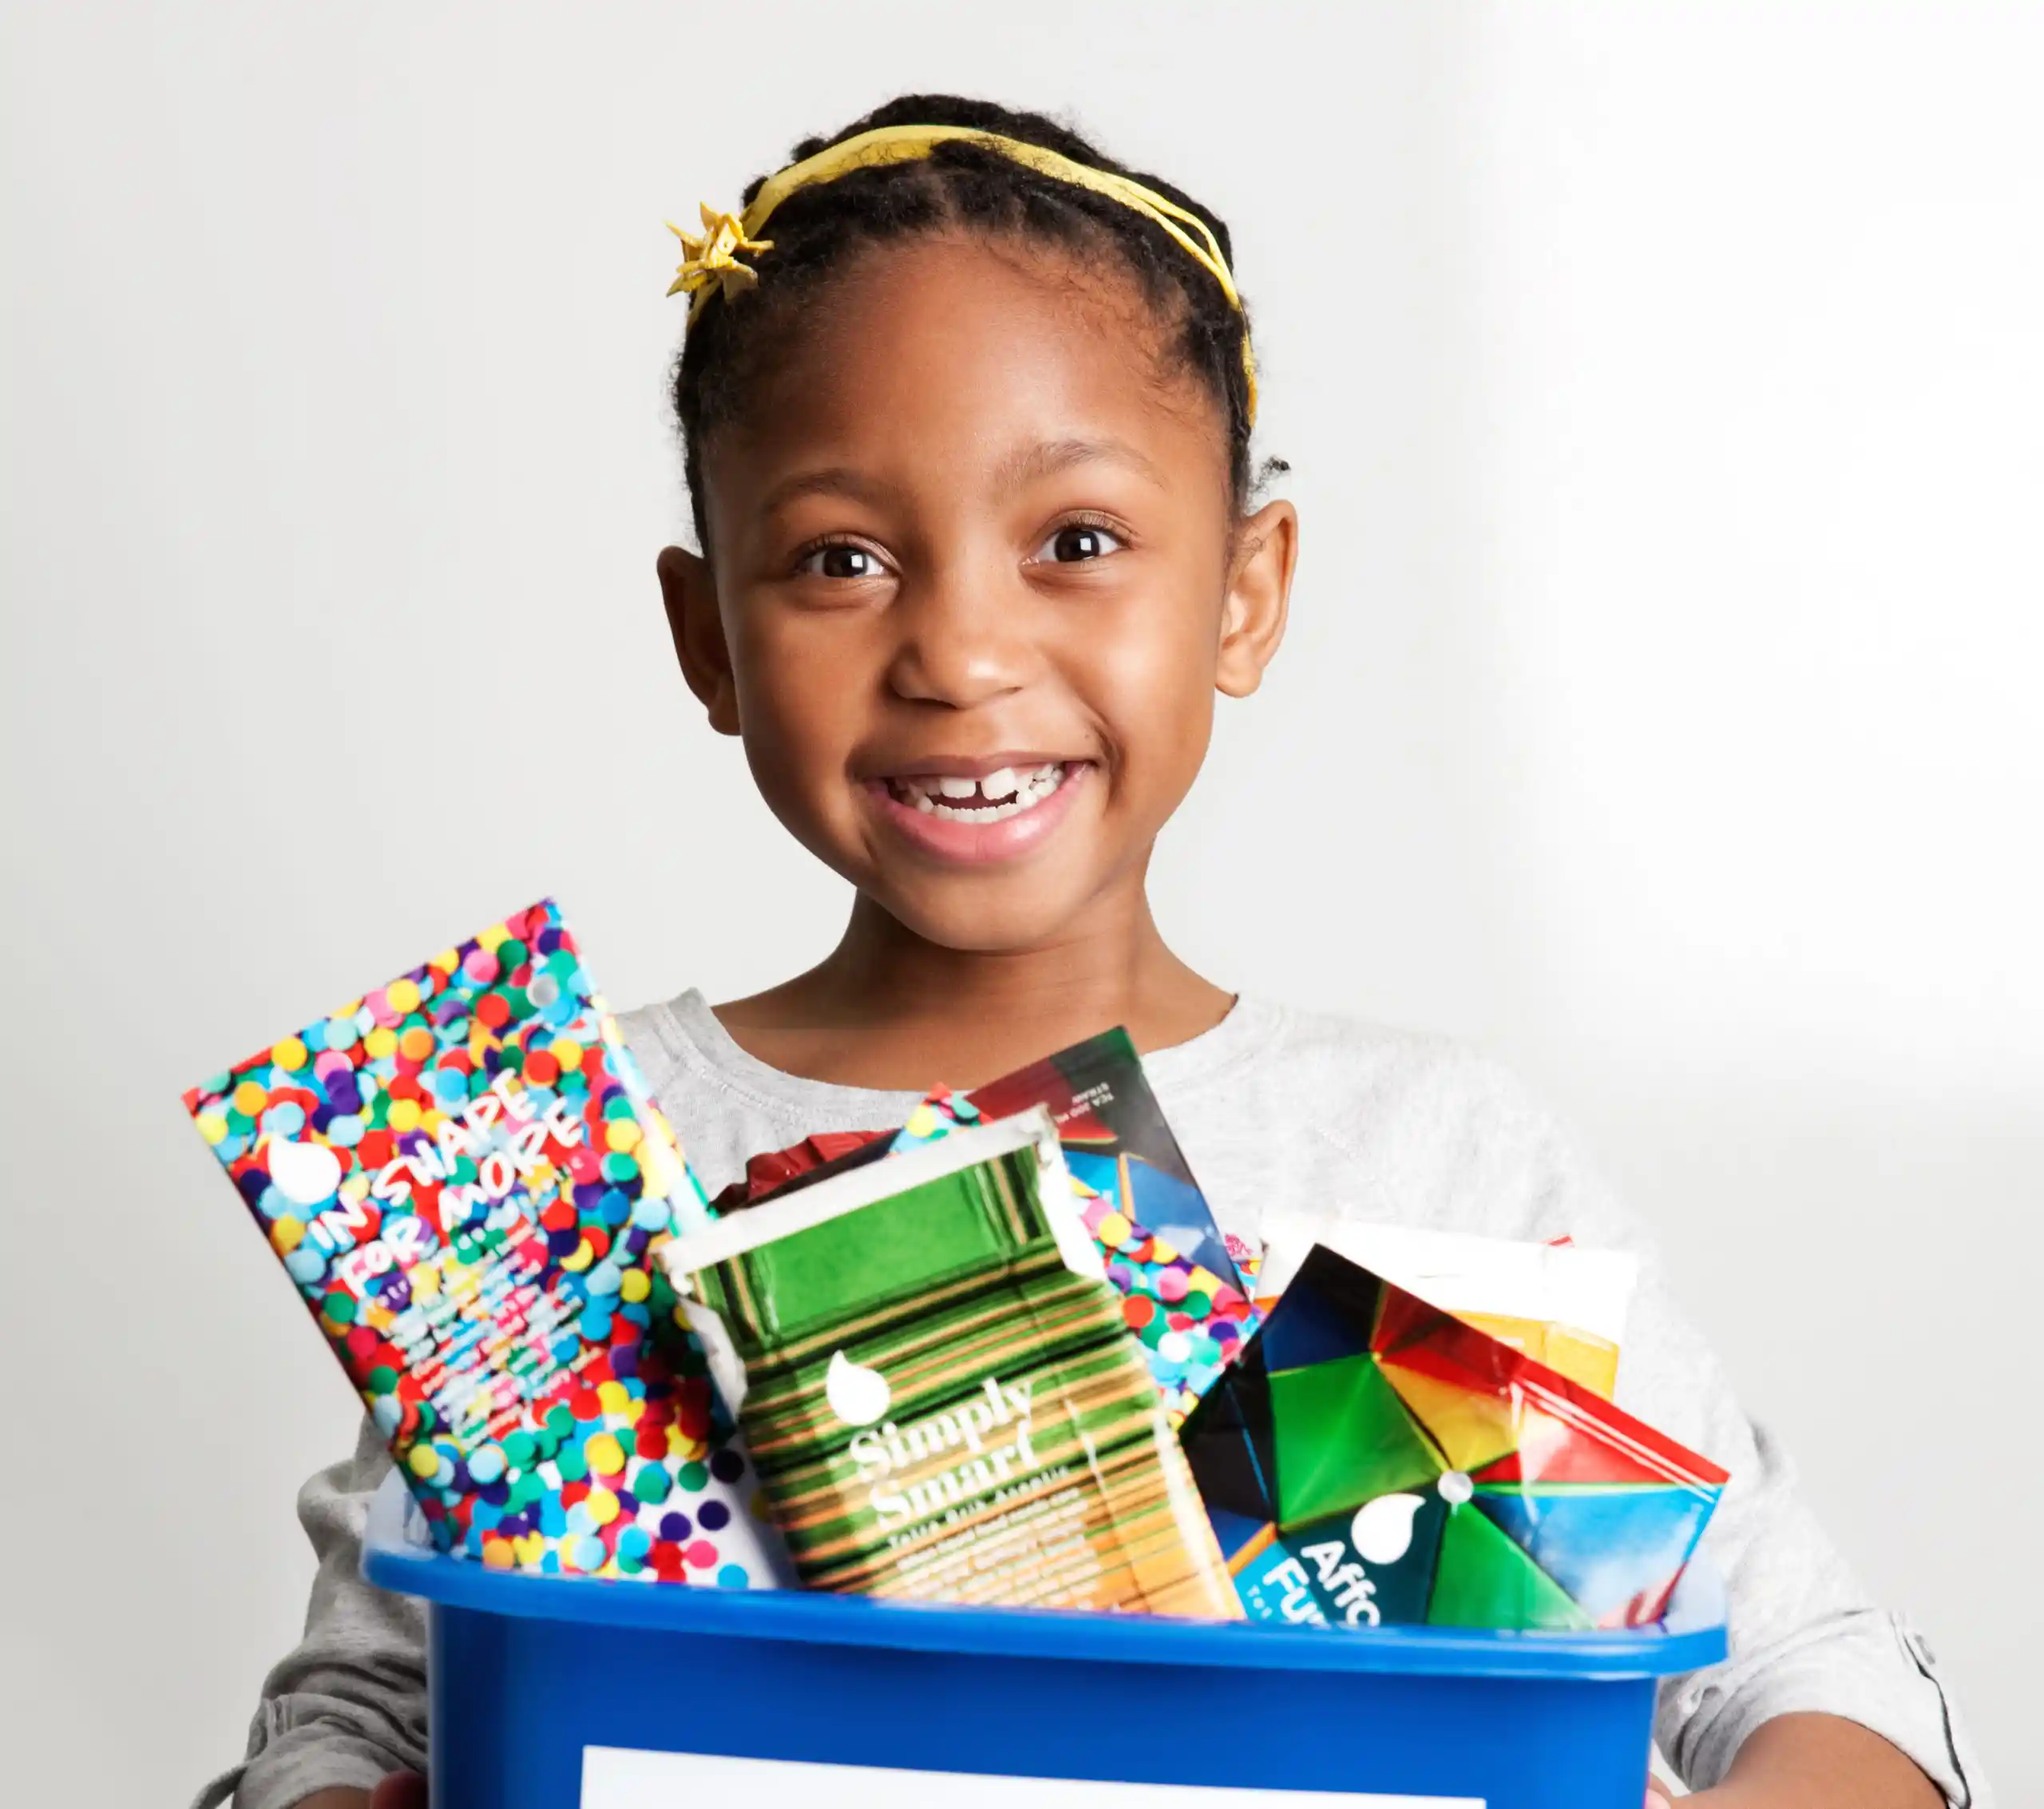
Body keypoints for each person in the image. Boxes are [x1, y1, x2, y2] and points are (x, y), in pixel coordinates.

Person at [193, 94, 1987, 1809]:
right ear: (707, 631)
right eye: (837, 557)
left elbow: (1817, 1683)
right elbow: (356, 1707)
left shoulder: (1439, 1157)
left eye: (1075, 539)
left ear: (1243, 589)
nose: (960, 649)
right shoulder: (556, 1163)